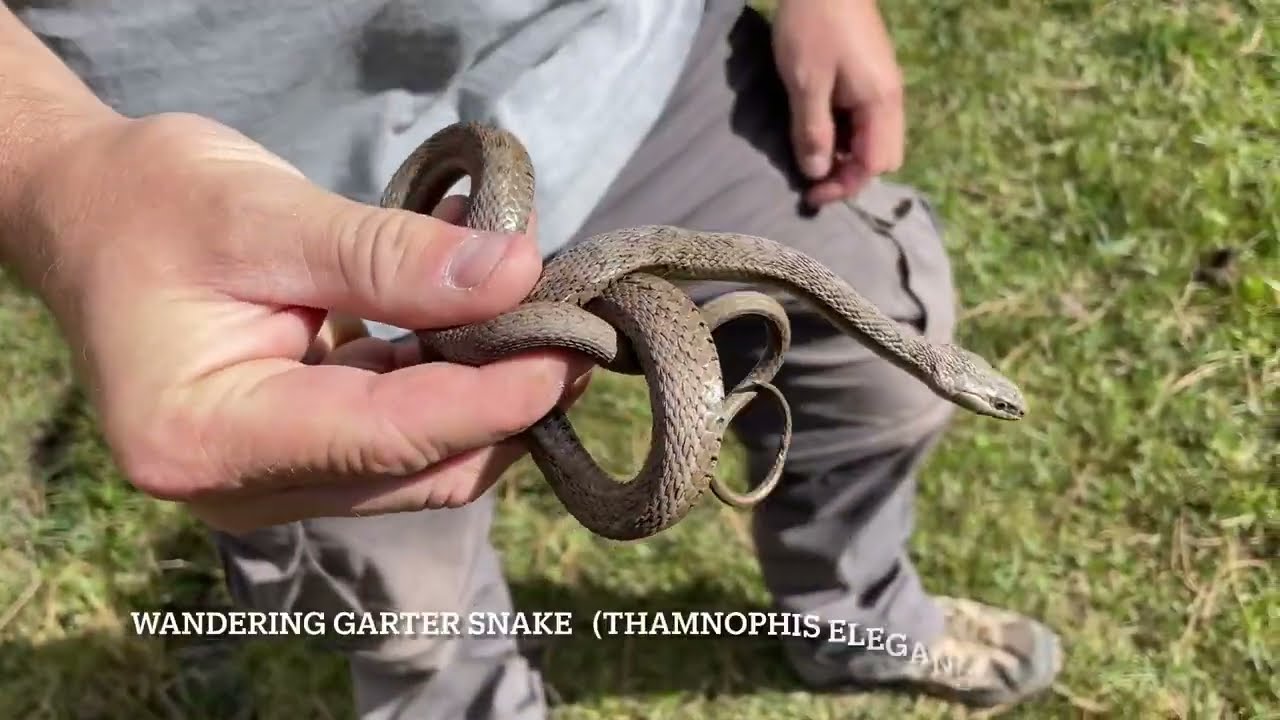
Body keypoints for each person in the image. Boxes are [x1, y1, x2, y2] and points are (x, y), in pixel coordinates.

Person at [0, 0, 1062, 717]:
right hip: (264, 213)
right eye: (995, 400)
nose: (997, 406)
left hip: (630, 64)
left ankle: (856, 619)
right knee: (409, 606)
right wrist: (57, 169)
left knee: (882, 345)